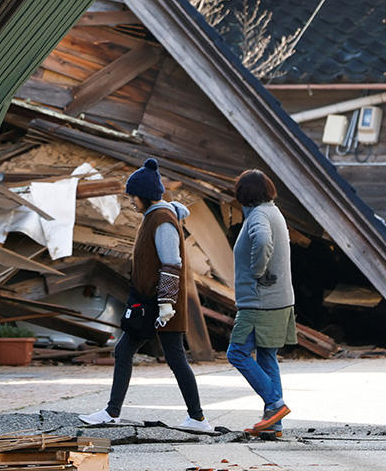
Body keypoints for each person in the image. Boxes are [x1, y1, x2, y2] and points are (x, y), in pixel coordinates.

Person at [79, 158, 212, 433]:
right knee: (124, 351)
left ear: (145, 196)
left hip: (161, 305)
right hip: (149, 302)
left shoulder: (162, 220)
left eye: (132, 197)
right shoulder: (155, 216)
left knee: (174, 359)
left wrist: (165, 303)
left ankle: (198, 418)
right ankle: (113, 412)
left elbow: (171, 262)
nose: (131, 202)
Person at [227, 169, 295, 437]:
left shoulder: (258, 215)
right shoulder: (274, 211)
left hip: (259, 302)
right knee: (267, 357)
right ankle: (273, 426)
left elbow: (263, 240)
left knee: (237, 352)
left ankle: (276, 405)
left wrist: (257, 271)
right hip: (279, 300)